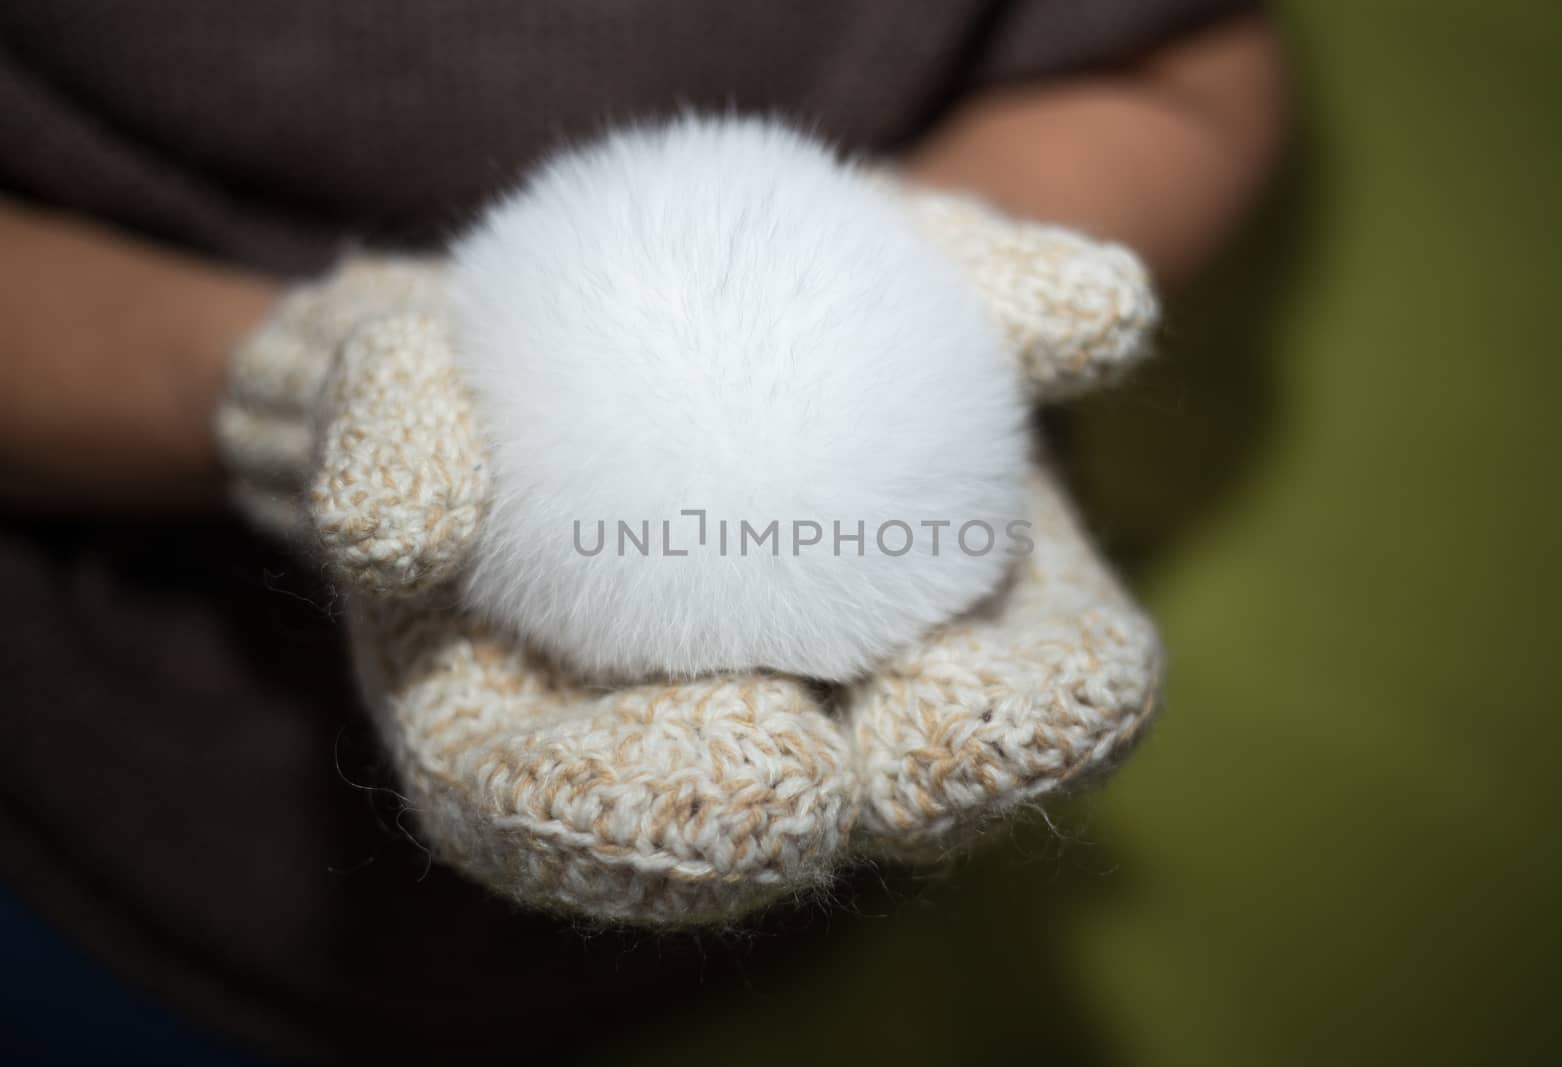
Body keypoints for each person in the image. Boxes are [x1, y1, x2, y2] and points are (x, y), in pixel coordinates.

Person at [0, 2, 1285, 1059]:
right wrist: (285, 386)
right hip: (130, 825)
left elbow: (1183, 67)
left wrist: (940, 256)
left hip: (848, 891)